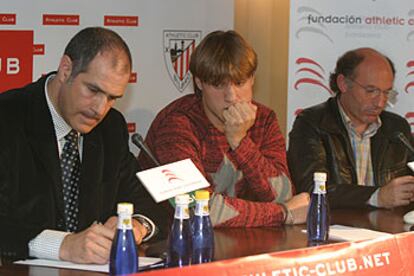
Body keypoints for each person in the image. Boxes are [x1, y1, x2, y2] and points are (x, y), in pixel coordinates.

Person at [0, 27, 167, 263]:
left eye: (112, 98)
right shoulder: (7, 118)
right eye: (93, 90)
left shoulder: (110, 128)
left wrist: (136, 226)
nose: (100, 109)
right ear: (66, 69)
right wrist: (62, 245)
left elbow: (149, 200)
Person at [138, 30, 309, 227]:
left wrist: (241, 143)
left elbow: (284, 194)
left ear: (253, 78)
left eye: (239, 82)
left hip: (245, 241)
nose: (231, 96)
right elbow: (198, 210)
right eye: (219, 85)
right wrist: (283, 214)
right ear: (199, 83)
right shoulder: (176, 124)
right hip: (177, 244)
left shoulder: (264, 119)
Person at [288, 47, 414, 209]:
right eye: (371, 91)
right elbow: (312, 189)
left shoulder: (396, 128)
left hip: (387, 229)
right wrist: (376, 197)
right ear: (343, 83)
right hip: (335, 227)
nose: (380, 102)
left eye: (387, 93)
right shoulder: (312, 123)